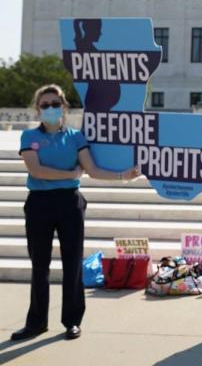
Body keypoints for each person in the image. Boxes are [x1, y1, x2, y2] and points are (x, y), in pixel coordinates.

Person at [13, 84, 139, 342]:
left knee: (72, 264)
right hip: (39, 203)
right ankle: (36, 322)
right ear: (38, 109)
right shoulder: (29, 138)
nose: (50, 108)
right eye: (45, 105)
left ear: (64, 107)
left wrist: (122, 176)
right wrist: (70, 174)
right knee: (39, 265)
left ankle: (72, 321)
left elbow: (92, 169)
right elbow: (36, 171)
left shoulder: (75, 137)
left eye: (54, 104)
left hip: (70, 203)